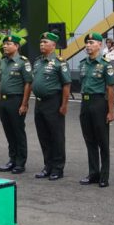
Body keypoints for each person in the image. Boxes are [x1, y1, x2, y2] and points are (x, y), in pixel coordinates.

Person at [31, 31, 71, 181]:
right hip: (39, 102)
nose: (42, 44)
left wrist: (64, 105)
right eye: (41, 42)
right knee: (44, 136)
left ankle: (58, 168)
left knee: (56, 136)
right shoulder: (38, 61)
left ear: (53, 45)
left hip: (53, 102)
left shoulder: (60, 62)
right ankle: (47, 166)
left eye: (45, 42)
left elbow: (66, 84)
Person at [77, 32, 114, 188]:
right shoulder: (82, 63)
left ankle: (104, 176)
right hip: (85, 103)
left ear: (100, 45)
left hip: (99, 102)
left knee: (102, 141)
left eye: (92, 42)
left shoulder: (106, 64)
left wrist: (111, 111)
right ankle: (93, 173)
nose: (88, 45)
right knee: (89, 140)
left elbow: (110, 89)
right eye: (87, 43)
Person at [0, 34, 32, 174]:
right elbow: (2, 81)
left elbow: (28, 83)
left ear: (16, 46)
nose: (5, 46)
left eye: (8, 44)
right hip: (4, 101)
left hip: (16, 100)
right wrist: (0, 98)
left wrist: (24, 104)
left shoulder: (23, 62)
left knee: (18, 131)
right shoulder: (3, 61)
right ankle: (12, 159)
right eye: (4, 44)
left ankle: (20, 162)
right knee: (9, 132)